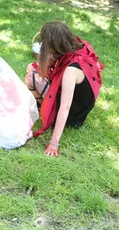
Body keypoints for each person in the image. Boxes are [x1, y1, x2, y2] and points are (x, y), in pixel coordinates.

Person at [26, 22, 103, 157]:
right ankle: (43, 106)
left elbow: (65, 106)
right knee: (31, 68)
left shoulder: (70, 69)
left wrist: (54, 143)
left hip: (72, 115)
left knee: (30, 78)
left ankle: (46, 109)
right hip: (79, 105)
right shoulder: (74, 50)